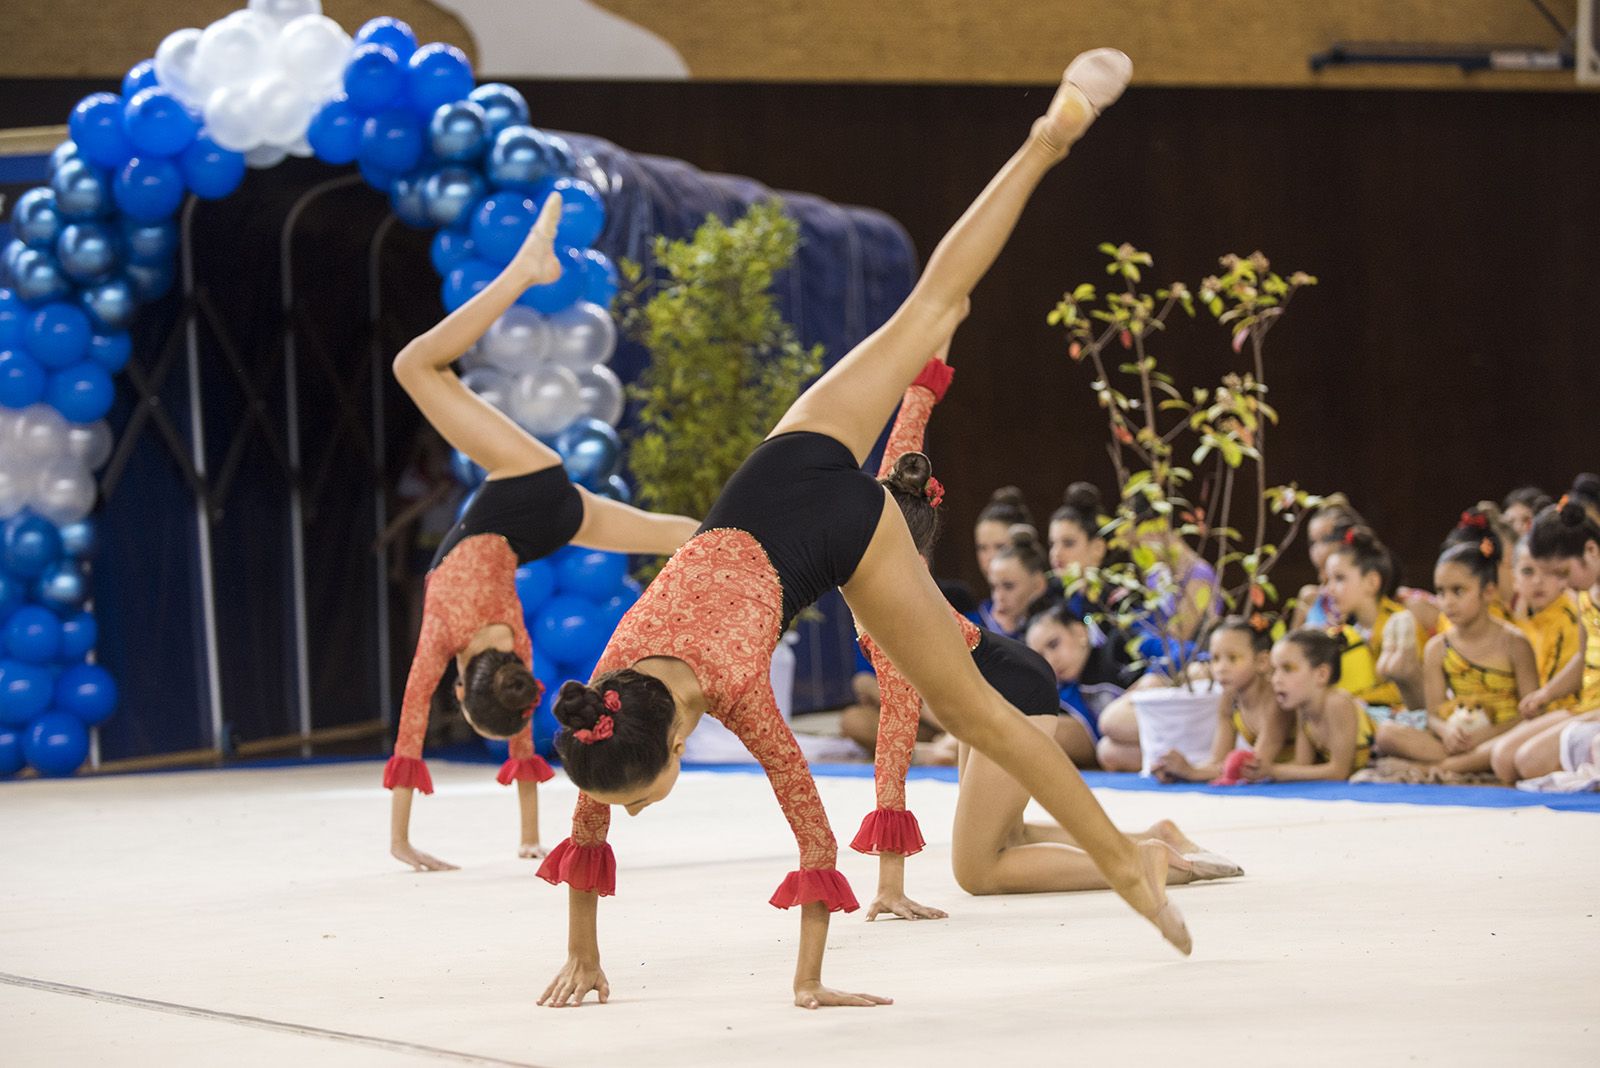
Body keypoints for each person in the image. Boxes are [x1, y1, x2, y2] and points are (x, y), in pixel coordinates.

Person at [536, 50, 1195, 1012]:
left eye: (638, 797)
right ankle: (1046, 141)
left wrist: (810, 985)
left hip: (845, 531)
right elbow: (593, 815)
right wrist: (587, 951)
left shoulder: (729, 696)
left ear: (677, 739)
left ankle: (1129, 870)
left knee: (981, 717)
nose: (625, 811)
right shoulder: (610, 685)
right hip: (779, 470)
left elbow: (811, 833)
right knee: (932, 307)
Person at [383, 194, 699, 872]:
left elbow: (522, 731)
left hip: (548, 522)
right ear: (462, 688)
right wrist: (399, 839)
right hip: (527, 489)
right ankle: (525, 271)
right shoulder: (446, 636)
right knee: (414, 367)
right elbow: (410, 730)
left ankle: (779, 538)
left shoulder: (516, 656)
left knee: (679, 535)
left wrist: (532, 834)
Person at [1369, 538, 1538, 779]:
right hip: (1458, 741)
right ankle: (1466, 763)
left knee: (1512, 744)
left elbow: (1529, 715)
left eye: (1458, 591)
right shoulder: (1437, 647)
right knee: (1386, 733)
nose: (1447, 601)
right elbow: (1433, 714)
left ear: (1488, 591)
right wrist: (1447, 730)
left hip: (1500, 737)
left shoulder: (1515, 642)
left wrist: (1485, 735)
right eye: (1440, 591)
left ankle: (1438, 768)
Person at [1491, 500, 1600, 781]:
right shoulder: (1585, 596)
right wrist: (1546, 693)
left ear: (1591, 550)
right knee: (1503, 759)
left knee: (1530, 762)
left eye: (1562, 573)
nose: (1560, 584)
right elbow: (1584, 657)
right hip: (1588, 704)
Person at [1152, 616, 1292, 783]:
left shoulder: (1275, 701)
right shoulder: (1229, 697)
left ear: (1261, 661)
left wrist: (1191, 772)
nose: (1221, 668)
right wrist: (1178, 770)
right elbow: (1218, 760)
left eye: (1233, 658)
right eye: (1215, 659)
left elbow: (1253, 767)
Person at [1244, 629, 1375, 782]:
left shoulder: (1337, 702)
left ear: (1321, 674)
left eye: (1287, 669)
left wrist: (1273, 770)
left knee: (1388, 736)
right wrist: (1261, 772)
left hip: (1396, 731)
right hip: (1371, 766)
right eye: (1274, 671)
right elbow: (1302, 763)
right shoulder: (1303, 709)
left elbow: (1339, 771)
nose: (1276, 679)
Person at [1321, 527, 1426, 717]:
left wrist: (1357, 699)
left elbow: (1404, 687)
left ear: (1371, 582)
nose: (1329, 589)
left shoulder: (1399, 623)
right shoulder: (1349, 629)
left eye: (1339, 578)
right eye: (1327, 580)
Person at [982, 528, 1052, 637]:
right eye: (994, 587)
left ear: (1038, 585)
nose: (998, 597)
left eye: (1008, 586)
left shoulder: (1058, 621)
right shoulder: (982, 620)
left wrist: (1008, 635)